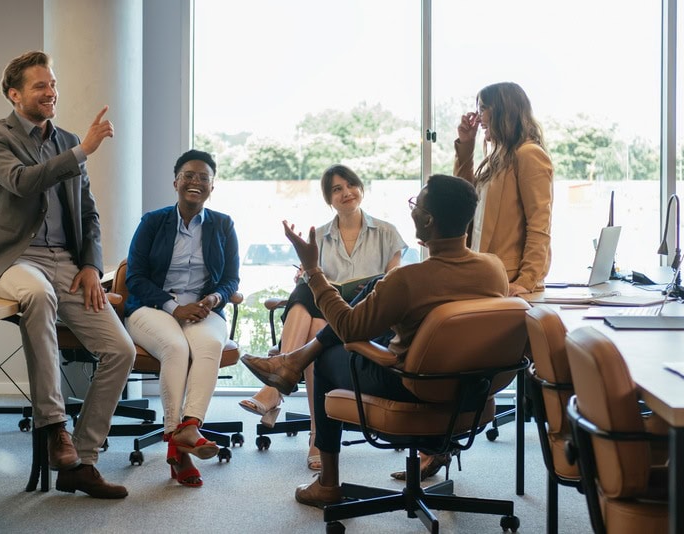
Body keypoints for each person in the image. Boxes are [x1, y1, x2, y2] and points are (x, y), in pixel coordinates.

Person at [240, 174, 509, 508]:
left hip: (411, 385)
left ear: (428, 219)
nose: (413, 211)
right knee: (375, 287)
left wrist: (313, 271)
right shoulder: (494, 268)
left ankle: (327, 481)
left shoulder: (410, 280)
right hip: (471, 391)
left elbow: (350, 327)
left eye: (417, 205)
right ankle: (294, 360)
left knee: (327, 358)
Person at [0, 51, 135, 499]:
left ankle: (83, 459)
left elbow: (88, 213)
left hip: (68, 263)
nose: (51, 92)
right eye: (40, 86)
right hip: (13, 259)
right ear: (14, 94)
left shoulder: (68, 140)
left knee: (121, 349)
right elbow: (22, 181)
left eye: (53, 84)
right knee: (37, 295)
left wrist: (93, 267)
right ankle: (55, 424)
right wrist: (83, 152)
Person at [239, 164, 405, 471]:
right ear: (328, 199)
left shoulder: (387, 231)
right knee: (307, 297)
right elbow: (316, 283)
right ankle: (313, 432)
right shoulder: (320, 235)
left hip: (364, 313)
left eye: (350, 185)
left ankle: (279, 386)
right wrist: (307, 274)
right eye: (337, 189)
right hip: (329, 314)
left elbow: (392, 285)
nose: (346, 193)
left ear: (361, 188)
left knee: (318, 319)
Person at [123, 150, 239, 488]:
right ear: (176, 182)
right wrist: (174, 307)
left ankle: (188, 428)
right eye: (189, 175)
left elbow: (231, 279)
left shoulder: (223, 224)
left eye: (204, 178)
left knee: (209, 345)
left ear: (212, 187)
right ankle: (180, 438)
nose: (196, 182)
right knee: (175, 348)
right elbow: (136, 278)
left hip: (204, 308)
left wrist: (213, 298)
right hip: (153, 306)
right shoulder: (153, 221)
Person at [454, 81, 553, 297]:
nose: (477, 117)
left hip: (510, 282)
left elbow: (539, 225)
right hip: (484, 276)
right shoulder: (498, 159)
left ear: (502, 110)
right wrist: (466, 145)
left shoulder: (528, 154)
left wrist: (526, 280)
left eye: (482, 109)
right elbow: (463, 199)